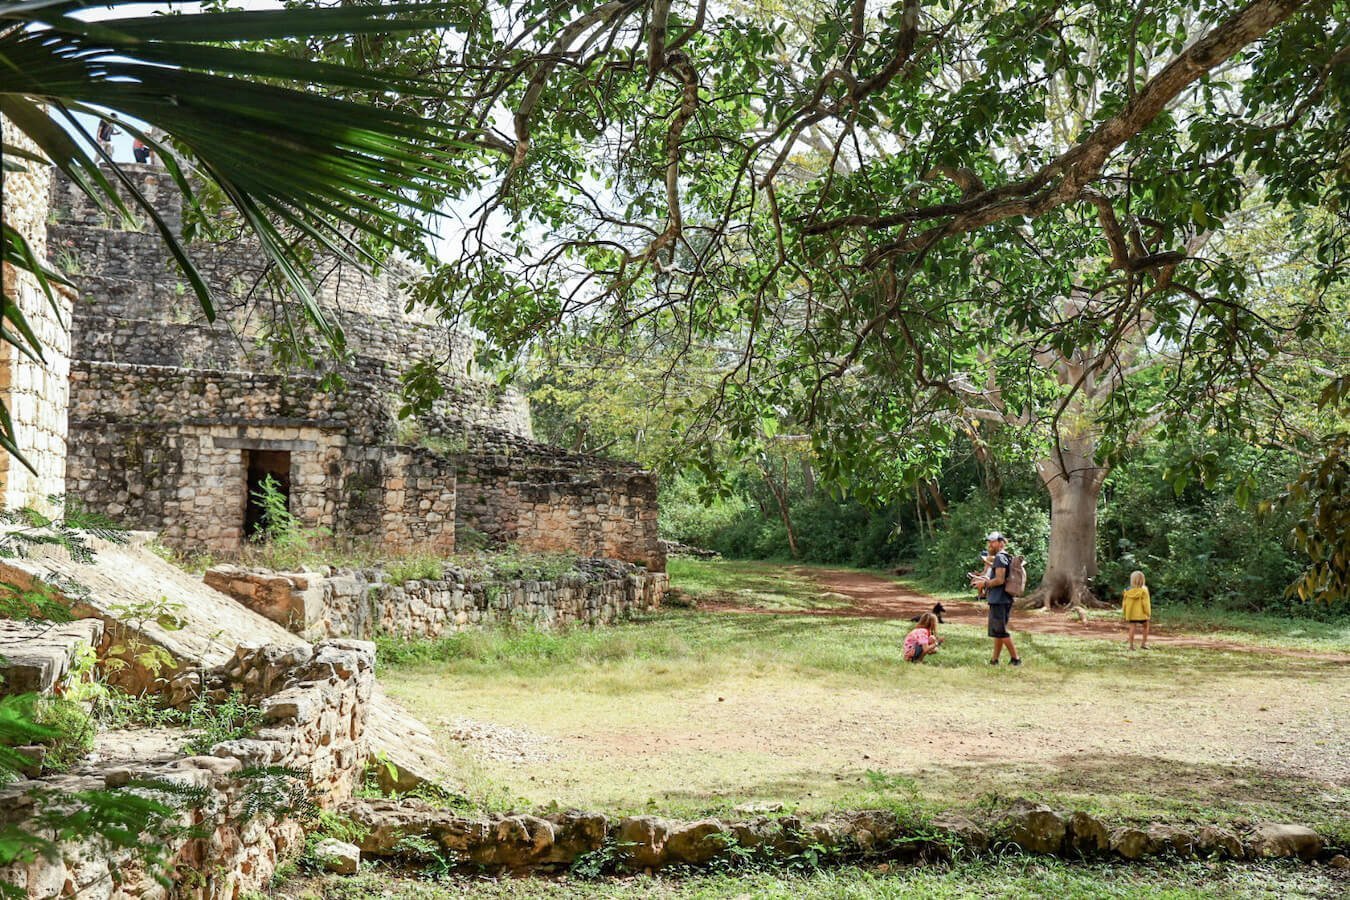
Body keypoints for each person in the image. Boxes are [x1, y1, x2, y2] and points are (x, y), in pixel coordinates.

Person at [971, 531, 1021, 666]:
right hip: (1001, 599)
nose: (990, 545)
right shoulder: (1004, 557)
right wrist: (985, 579)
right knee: (997, 631)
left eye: (992, 542)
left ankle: (1016, 659)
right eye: (989, 542)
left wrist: (984, 584)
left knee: (1000, 631)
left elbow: (999, 580)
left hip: (1000, 599)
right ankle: (994, 660)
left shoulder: (1000, 558)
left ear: (1001, 543)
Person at [1122, 570, 1152, 650]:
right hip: (1142, 613)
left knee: (1132, 628)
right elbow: (1146, 603)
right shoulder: (1144, 590)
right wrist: (1148, 613)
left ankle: (1131, 646)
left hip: (1131, 613)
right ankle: (1143, 644)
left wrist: (1125, 612)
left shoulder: (1127, 590)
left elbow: (1124, 603)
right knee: (1146, 626)